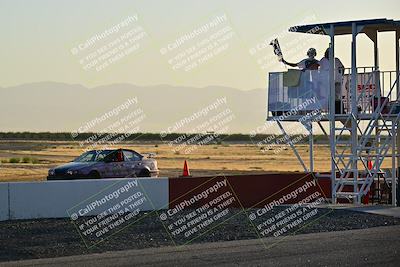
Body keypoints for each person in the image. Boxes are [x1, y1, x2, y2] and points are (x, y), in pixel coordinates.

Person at [319, 48, 345, 113]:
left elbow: (342, 68)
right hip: (327, 82)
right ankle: (331, 110)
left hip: (337, 80)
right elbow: (318, 69)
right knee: (329, 96)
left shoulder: (336, 60)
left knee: (337, 96)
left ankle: (339, 110)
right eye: (328, 52)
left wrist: (341, 75)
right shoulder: (323, 60)